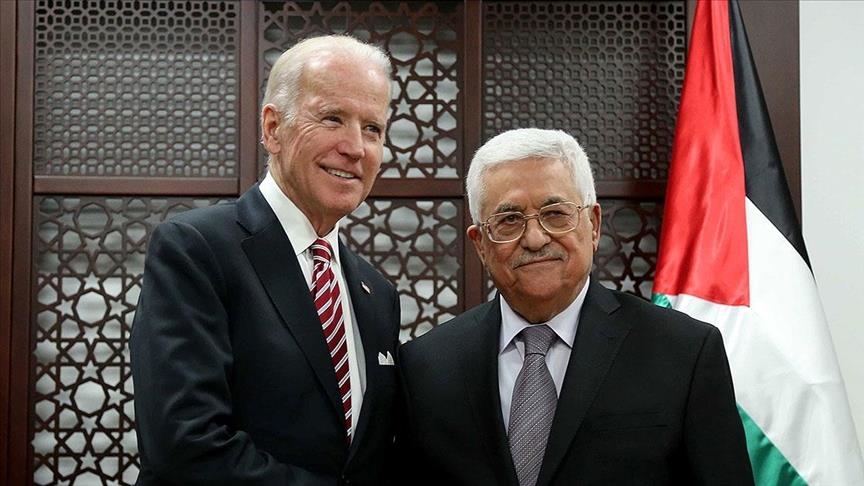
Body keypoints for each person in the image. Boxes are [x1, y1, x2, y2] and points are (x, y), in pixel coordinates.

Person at [397, 128, 754, 485]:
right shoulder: (427, 366)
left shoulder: (683, 352)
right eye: (509, 220)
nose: (535, 239)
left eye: (555, 213)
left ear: (594, 225)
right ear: (480, 245)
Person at [131, 35, 401, 485]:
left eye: (372, 128)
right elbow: (184, 446)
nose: (356, 147)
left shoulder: (378, 294)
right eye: (332, 118)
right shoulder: (197, 250)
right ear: (273, 128)